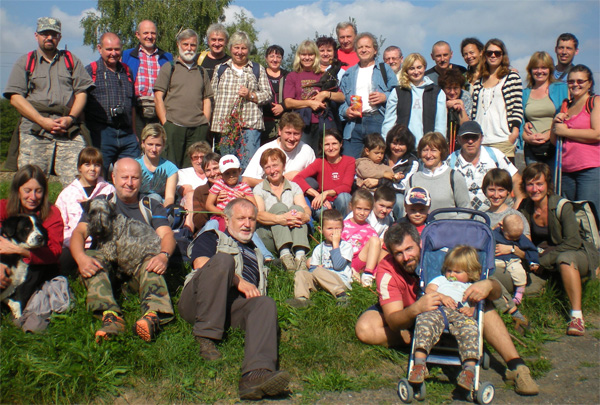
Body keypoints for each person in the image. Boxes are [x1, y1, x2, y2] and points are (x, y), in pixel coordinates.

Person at [354, 222, 540, 396]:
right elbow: (394, 320)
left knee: (485, 306)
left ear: (419, 243)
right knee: (364, 328)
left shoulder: (438, 258)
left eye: (409, 249)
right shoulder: (388, 272)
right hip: (411, 311)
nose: (406, 257)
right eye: (399, 253)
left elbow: (496, 292)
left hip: (456, 309)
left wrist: (489, 284)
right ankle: (427, 340)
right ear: (392, 254)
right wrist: (416, 309)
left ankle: (517, 367)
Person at [180, 198, 290, 400]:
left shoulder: (257, 254)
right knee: (223, 259)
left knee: (265, 303)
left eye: (251, 219)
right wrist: (238, 281)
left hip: (231, 310)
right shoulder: (213, 237)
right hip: (197, 302)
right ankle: (206, 337)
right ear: (227, 220)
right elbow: (200, 263)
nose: (247, 224)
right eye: (241, 218)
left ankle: (256, 375)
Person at [70, 158, 176, 342]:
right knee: (92, 257)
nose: (129, 182)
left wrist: (163, 256)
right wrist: (81, 258)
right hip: (107, 269)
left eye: (134, 178)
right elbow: (79, 233)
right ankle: (110, 316)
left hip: (137, 269)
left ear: (141, 180)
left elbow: (167, 235)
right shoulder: (100, 202)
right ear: (113, 177)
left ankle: (152, 316)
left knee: (153, 263)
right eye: (124, 177)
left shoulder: (151, 205)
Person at [3, 17, 94, 186]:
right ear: (36, 35)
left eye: (53, 34)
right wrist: (42, 121)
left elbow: (82, 92)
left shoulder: (70, 60)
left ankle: (75, 212)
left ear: (59, 37)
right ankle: (29, 213)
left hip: (67, 128)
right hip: (34, 129)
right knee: (30, 182)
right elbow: (15, 98)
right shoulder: (25, 61)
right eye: (45, 33)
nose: (49, 38)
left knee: (79, 182)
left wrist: (71, 118)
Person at [518, 163, 599, 336]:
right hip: (543, 256)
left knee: (565, 260)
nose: (534, 189)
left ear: (547, 185)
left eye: (539, 184)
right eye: (530, 184)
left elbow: (572, 242)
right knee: (525, 289)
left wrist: (540, 261)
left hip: (575, 253)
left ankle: (576, 316)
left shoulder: (563, 206)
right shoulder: (525, 207)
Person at [409, 245, 482, 392]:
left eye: (457, 271)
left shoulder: (471, 286)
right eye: (449, 270)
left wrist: (471, 309)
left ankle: (468, 371)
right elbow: (429, 290)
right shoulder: (442, 280)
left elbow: (476, 304)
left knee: (471, 329)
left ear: (470, 273)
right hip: (438, 310)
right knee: (424, 322)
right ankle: (419, 364)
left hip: (460, 314)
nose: (451, 274)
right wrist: (442, 297)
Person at [0, 165, 63, 314]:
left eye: (38, 191)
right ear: (18, 190)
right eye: (27, 190)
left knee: (35, 270)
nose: (33, 197)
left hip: (37, 266)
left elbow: (54, 252)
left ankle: (18, 304)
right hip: (6, 262)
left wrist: (20, 250)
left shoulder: (52, 213)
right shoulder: (4, 207)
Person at [211, 32, 271, 168]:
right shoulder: (220, 69)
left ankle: (246, 189)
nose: (239, 52)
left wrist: (251, 95)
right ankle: (229, 190)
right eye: (236, 48)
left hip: (249, 125)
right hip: (225, 126)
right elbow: (212, 96)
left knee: (248, 165)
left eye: (243, 48)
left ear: (248, 50)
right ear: (230, 48)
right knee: (228, 165)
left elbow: (267, 95)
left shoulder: (257, 69)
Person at [154, 29, 213, 168]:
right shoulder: (169, 67)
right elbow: (158, 97)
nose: (189, 48)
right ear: (178, 45)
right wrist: (166, 123)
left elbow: (207, 99)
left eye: (192, 45)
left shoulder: (201, 71)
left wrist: (205, 122)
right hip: (174, 126)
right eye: (185, 44)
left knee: (194, 168)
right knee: (171, 167)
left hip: (197, 128)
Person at [84, 32, 140, 174]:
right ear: (99, 48)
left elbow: (132, 104)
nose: (113, 53)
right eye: (109, 49)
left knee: (130, 174)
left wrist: (134, 132)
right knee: (98, 174)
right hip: (102, 133)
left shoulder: (127, 71)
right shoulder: (90, 71)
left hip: (126, 134)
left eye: (117, 49)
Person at [55, 147, 115, 275]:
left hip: (102, 244)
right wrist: (73, 244)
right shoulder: (67, 194)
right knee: (61, 264)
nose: (92, 169)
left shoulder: (109, 190)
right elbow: (61, 225)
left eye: (97, 165)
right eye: (87, 164)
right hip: (73, 245)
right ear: (79, 167)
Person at [339, 32, 398, 158]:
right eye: (360, 47)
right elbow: (341, 99)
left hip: (377, 119)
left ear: (375, 50)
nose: (364, 50)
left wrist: (385, 97)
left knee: (378, 161)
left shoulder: (384, 69)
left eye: (367, 47)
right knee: (350, 162)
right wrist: (345, 111)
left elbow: (398, 93)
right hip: (354, 124)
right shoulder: (349, 73)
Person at [551, 65, 600, 211]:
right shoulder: (565, 106)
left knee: (589, 214)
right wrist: (555, 123)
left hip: (589, 169)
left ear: (589, 83)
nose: (575, 85)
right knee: (570, 216)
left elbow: (597, 134)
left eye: (580, 81)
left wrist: (566, 132)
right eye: (571, 81)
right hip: (566, 170)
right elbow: (555, 141)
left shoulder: (594, 102)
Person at [253, 149, 310, 272]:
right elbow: (259, 215)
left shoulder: (294, 187)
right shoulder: (259, 189)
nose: (272, 171)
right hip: (270, 235)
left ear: (283, 166)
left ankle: (300, 257)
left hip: (292, 233)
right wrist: (281, 219)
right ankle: (285, 256)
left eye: (275, 165)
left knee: (297, 209)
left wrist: (305, 216)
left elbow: (305, 208)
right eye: (267, 167)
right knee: (279, 207)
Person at [447, 121, 525, 211]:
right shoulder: (450, 161)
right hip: (464, 217)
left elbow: (516, 179)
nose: (470, 141)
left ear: (481, 138)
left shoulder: (495, 155)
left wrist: (518, 205)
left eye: (474, 137)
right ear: (459, 139)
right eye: (466, 137)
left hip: (496, 215)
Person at [283, 40, 344, 152]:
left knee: (322, 157)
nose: (307, 58)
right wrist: (310, 103)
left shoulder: (325, 74)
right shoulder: (293, 76)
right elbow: (288, 102)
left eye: (310, 54)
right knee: (304, 155)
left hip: (323, 122)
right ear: (299, 56)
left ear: (316, 56)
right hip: (301, 124)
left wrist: (325, 94)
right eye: (304, 54)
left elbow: (341, 97)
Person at [286, 209, 354, 308]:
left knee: (319, 271)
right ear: (320, 230)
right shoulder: (319, 248)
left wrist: (335, 245)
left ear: (342, 229)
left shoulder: (346, 246)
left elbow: (339, 266)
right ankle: (301, 298)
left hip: (339, 281)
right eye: (330, 228)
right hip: (322, 281)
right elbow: (313, 269)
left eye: (337, 229)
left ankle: (341, 295)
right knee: (301, 273)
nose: (333, 232)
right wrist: (316, 268)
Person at [471, 39, 523, 160]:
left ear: (503, 55)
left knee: (504, 177)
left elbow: (517, 106)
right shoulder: (479, 81)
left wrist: (514, 133)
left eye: (497, 53)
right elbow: (475, 110)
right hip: (481, 140)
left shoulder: (511, 77)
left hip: (503, 139)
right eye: (489, 53)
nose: (493, 55)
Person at [122, 20, 173, 136]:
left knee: (158, 144)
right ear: (137, 35)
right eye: (145, 33)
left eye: (153, 33)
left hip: (159, 108)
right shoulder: (127, 55)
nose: (149, 36)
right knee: (138, 144)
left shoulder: (166, 57)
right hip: (137, 109)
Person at [382, 53, 446, 144]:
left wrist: (439, 144)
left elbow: (441, 123)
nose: (416, 72)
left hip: (428, 147)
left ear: (424, 67)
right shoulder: (398, 92)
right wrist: (386, 142)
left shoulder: (437, 92)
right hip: (403, 146)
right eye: (412, 68)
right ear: (406, 71)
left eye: (419, 67)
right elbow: (389, 122)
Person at [521, 51, 569, 171]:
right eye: (536, 68)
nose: (539, 71)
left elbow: (567, 115)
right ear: (530, 70)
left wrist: (549, 135)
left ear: (550, 69)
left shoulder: (561, 88)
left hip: (554, 146)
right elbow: (520, 121)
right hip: (532, 149)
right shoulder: (524, 93)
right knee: (534, 184)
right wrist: (527, 138)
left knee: (553, 186)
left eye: (544, 68)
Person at [293, 129, 354, 218]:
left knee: (344, 198)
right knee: (319, 211)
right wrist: (317, 195)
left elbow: (346, 187)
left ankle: (345, 228)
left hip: (340, 201)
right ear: (322, 146)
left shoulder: (349, 161)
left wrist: (325, 193)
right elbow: (297, 178)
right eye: (327, 144)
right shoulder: (319, 162)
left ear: (341, 144)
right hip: (324, 202)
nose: (331, 148)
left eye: (334, 143)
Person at [243, 112, 315, 188]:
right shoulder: (266, 149)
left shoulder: (307, 150)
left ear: (302, 134)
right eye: (288, 133)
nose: (292, 138)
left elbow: (314, 180)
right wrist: (277, 182)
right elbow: (246, 179)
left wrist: (299, 175)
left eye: (296, 134)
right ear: (280, 131)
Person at [407, 132, 470, 214]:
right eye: (425, 150)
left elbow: (465, 210)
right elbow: (407, 211)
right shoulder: (413, 179)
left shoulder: (454, 177)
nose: (428, 155)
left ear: (442, 152)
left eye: (433, 150)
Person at [493, 214, 540, 305]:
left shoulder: (521, 238)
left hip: (512, 260)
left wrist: (533, 262)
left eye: (517, 237)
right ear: (502, 228)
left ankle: (519, 292)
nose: (514, 239)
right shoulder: (495, 233)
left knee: (519, 272)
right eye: (510, 237)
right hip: (496, 259)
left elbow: (531, 250)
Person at [205, 155, 256, 232]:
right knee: (217, 226)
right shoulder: (219, 184)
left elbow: (254, 206)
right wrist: (221, 213)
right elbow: (208, 205)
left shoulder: (244, 187)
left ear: (240, 171)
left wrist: (244, 200)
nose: (231, 176)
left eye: (234, 172)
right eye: (227, 173)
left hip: (238, 218)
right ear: (221, 174)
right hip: (220, 217)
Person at [342, 189, 382, 287]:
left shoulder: (371, 230)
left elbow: (375, 253)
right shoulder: (343, 225)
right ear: (351, 207)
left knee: (377, 241)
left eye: (366, 209)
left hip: (360, 261)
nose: (362, 213)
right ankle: (349, 272)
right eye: (359, 208)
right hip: (344, 260)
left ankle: (368, 275)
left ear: (371, 209)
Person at [136, 124, 178, 208]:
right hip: (138, 206)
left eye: (158, 145)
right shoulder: (134, 165)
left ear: (163, 146)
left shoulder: (171, 168)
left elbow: (169, 198)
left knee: (156, 197)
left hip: (161, 208)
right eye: (150, 144)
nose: (154, 149)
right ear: (143, 143)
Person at [384, 124, 419, 220]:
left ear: (408, 146)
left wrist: (379, 182)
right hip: (375, 192)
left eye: (401, 144)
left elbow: (402, 187)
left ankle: (400, 227)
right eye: (394, 143)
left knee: (399, 200)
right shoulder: (381, 155)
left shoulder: (412, 162)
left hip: (396, 195)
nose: (397, 147)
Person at [177, 142, 211, 231]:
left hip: (210, 204)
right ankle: (188, 229)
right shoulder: (183, 173)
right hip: (190, 203)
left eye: (202, 157)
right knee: (191, 194)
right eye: (195, 157)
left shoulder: (213, 173)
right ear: (191, 159)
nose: (199, 161)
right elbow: (186, 192)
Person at [439, 68, 472, 151]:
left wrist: (461, 106)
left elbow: (467, 126)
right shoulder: (438, 96)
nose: (452, 92)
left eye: (456, 88)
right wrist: (445, 106)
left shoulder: (466, 96)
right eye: (448, 88)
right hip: (444, 141)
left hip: (461, 141)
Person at [262, 45, 288, 144]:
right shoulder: (260, 74)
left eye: (278, 57)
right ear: (266, 58)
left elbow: (293, 96)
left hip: (284, 120)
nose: (275, 59)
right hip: (264, 120)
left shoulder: (288, 75)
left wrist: (283, 106)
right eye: (272, 56)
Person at [191, 152, 221, 232]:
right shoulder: (200, 191)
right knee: (213, 223)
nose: (212, 173)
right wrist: (212, 204)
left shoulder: (233, 187)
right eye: (208, 170)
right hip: (207, 231)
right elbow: (198, 222)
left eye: (215, 168)